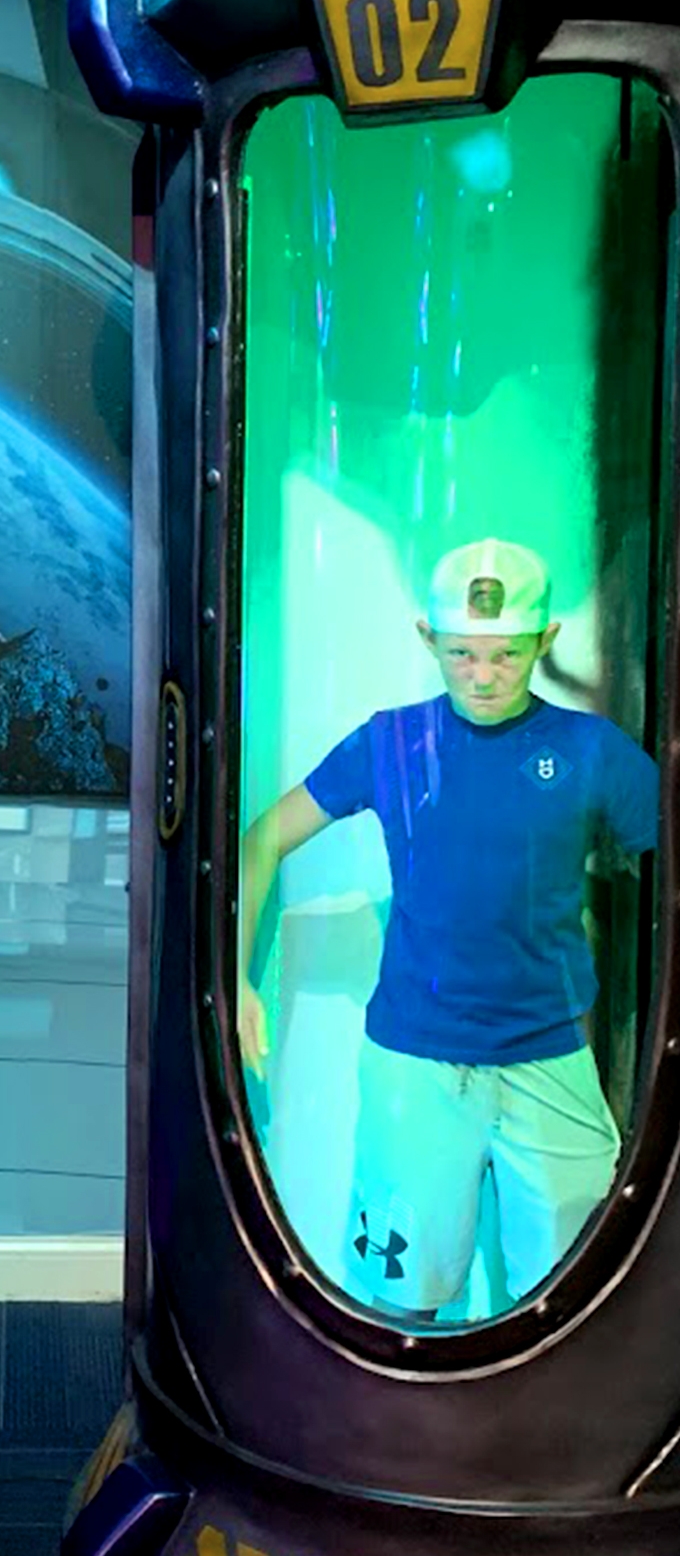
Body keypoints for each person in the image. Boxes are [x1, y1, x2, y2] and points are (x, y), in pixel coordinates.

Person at [236, 537, 654, 1318]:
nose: (484, 676)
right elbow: (262, 838)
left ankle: (549, 1443)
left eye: (507, 655)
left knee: (584, 1300)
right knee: (402, 1303)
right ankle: (402, 1441)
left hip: (550, 1056)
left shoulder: (589, 750)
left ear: (544, 642)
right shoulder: (392, 740)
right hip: (415, 1061)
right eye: (461, 653)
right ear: (427, 639)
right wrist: (237, 974)